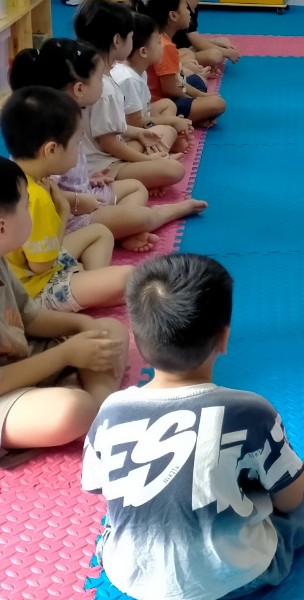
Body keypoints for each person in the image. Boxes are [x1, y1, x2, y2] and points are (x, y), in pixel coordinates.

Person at [82, 254, 304, 600]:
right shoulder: (251, 410)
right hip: (234, 576)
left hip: (130, 573)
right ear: (224, 339)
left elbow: (98, 487)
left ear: (137, 338)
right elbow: (290, 501)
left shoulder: (111, 411)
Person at [10, 39, 204, 252]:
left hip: (86, 192)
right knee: (140, 216)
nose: (103, 82)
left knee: (136, 187)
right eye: (99, 77)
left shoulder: (65, 116)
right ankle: (166, 213)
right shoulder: (54, 130)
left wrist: (88, 179)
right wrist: (79, 200)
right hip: (74, 215)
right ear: (79, 88)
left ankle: (125, 230)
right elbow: (44, 193)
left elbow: (67, 174)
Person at [0, 156, 127, 469]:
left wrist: (81, 325)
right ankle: (93, 410)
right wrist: (66, 355)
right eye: (27, 206)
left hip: (24, 355)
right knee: (70, 410)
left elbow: (30, 316)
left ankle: (102, 413)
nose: (31, 213)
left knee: (109, 331)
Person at [0, 87, 133, 312]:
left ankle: (91, 285)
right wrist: (63, 211)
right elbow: (41, 266)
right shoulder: (36, 197)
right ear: (51, 150)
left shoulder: (20, 176)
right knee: (128, 277)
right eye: (76, 143)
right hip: (36, 289)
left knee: (100, 232)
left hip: (33, 266)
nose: (79, 150)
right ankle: (90, 288)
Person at [73, 0, 186, 190]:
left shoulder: (93, 75)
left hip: (106, 151)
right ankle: (150, 171)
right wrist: (147, 161)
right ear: (117, 41)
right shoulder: (104, 87)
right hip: (102, 165)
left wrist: (140, 133)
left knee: (161, 134)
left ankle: (151, 167)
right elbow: (108, 142)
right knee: (174, 170)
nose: (132, 42)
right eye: (131, 37)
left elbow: (107, 127)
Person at [136, 0, 227, 125]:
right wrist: (195, 98)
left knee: (197, 81)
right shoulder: (164, 46)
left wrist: (200, 95)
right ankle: (180, 120)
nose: (189, 11)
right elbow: (170, 89)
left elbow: (178, 81)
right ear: (173, 16)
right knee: (218, 104)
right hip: (162, 105)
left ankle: (193, 116)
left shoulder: (161, 40)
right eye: (185, 7)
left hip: (170, 93)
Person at [113, 11, 194, 155]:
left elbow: (143, 113)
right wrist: (171, 122)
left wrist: (170, 121)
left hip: (136, 122)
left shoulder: (139, 71)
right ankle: (156, 152)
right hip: (124, 136)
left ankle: (166, 141)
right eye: (158, 42)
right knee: (168, 130)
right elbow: (134, 123)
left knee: (167, 104)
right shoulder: (128, 79)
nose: (163, 46)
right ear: (144, 52)